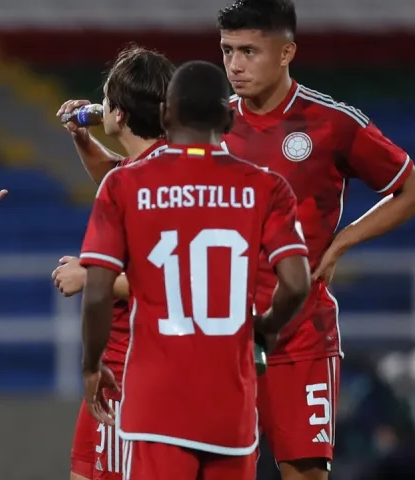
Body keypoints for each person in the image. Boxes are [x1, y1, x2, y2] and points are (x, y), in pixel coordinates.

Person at [217, 1, 415, 478]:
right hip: (220, 332)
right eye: (228, 50)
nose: (234, 65)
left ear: (286, 52)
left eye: (249, 51)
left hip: (300, 333)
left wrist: (341, 243)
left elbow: (414, 191)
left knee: (305, 472)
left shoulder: (332, 123)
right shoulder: (210, 124)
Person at [77, 60, 312, 480]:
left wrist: (92, 365)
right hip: (230, 407)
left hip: (157, 405)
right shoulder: (267, 186)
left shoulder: (124, 184)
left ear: (167, 114)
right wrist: (267, 326)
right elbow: (296, 283)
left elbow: (96, 293)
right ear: (227, 116)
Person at [51, 45, 174, 480]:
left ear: (118, 115)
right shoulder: (157, 168)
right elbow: (117, 176)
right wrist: (82, 138)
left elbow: (169, 279)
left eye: (106, 100)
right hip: (122, 360)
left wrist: (90, 276)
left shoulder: (141, 179)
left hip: (132, 365)